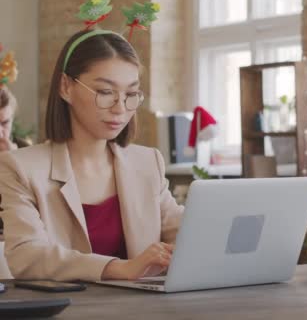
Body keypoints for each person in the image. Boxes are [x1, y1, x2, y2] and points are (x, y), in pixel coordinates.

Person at [0, 27, 184, 282]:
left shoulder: (147, 163)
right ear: (66, 87)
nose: (120, 108)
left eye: (131, 94)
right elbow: (27, 256)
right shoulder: (20, 167)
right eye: (105, 92)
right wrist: (120, 268)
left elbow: (185, 232)